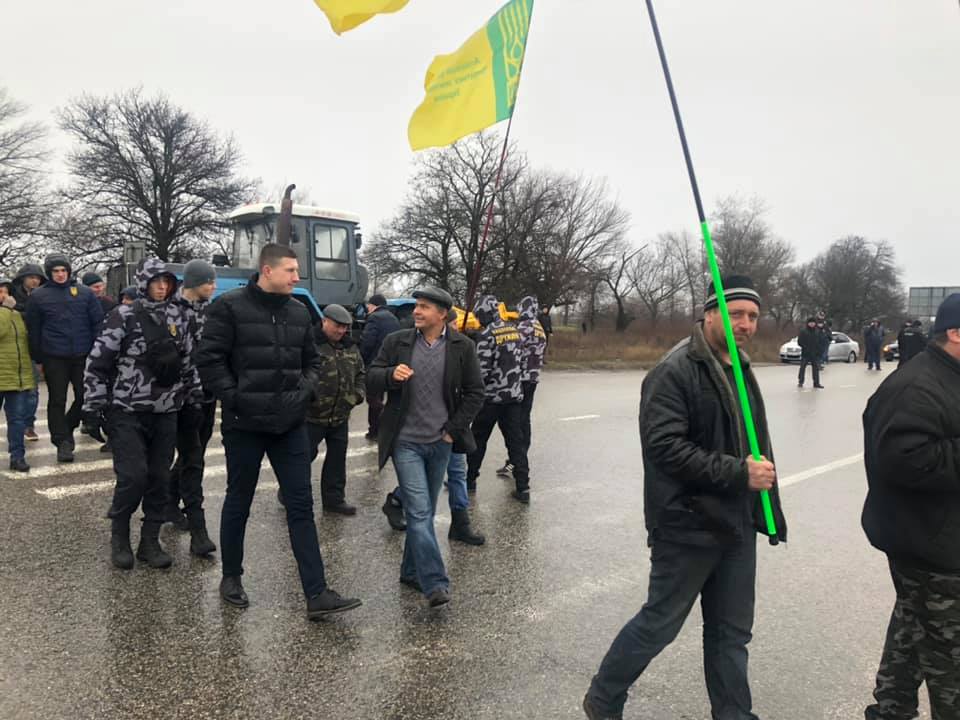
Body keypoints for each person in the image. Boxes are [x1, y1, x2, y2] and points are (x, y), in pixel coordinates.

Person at [583, 275, 787, 720]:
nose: (746, 324)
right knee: (660, 624)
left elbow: (751, 443)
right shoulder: (675, 370)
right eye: (735, 314)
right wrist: (739, 473)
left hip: (735, 523)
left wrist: (763, 502)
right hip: (688, 525)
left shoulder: (740, 365)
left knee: (731, 633)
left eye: (753, 316)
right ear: (709, 313)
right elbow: (664, 449)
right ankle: (603, 697)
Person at [197, 243, 361, 620]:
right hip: (245, 424)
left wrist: (302, 392)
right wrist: (234, 396)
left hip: (290, 425)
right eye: (290, 270)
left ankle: (317, 593)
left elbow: (312, 361)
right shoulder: (229, 307)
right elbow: (209, 359)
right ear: (267, 271)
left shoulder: (298, 311)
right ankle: (232, 577)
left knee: (301, 505)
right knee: (240, 499)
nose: (296, 277)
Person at [861, 293, 960, 720]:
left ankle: (890, 711)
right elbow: (904, 460)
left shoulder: (949, 375)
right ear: (955, 333)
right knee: (951, 668)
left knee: (912, 633)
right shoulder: (916, 386)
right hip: (931, 548)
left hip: (937, 540)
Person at [367, 287, 484, 607]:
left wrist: (452, 431)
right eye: (417, 306)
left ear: (442, 314)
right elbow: (371, 377)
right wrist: (391, 374)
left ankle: (409, 571)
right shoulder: (397, 342)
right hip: (405, 443)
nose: (416, 311)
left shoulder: (463, 347)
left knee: (425, 512)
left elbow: (476, 393)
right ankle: (435, 582)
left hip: (441, 443)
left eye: (424, 307)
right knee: (419, 512)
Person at [83, 258, 202, 570]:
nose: (162, 288)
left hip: (166, 411)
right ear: (143, 282)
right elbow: (97, 364)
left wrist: (194, 397)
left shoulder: (182, 314)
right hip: (126, 411)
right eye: (155, 282)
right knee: (133, 476)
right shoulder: (122, 315)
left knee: (160, 478)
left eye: (167, 282)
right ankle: (119, 535)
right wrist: (93, 407)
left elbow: (189, 361)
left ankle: (149, 541)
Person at [25, 253, 103, 462]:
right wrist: (38, 358)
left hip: (83, 354)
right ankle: (62, 442)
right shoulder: (39, 296)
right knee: (57, 399)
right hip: (54, 356)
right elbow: (34, 329)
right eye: (55, 271)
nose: (60, 275)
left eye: (63, 270)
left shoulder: (85, 294)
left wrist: (96, 351)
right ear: (49, 273)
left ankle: (68, 427)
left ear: (69, 271)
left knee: (85, 396)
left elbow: (97, 323)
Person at [164, 259, 218, 558]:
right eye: (208, 280)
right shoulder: (171, 312)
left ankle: (170, 502)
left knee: (192, 454)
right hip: (181, 399)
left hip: (207, 396)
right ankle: (199, 531)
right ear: (193, 282)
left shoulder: (211, 312)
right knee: (193, 459)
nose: (212, 285)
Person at [300, 303, 365, 516]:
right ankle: (292, 493)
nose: (341, 331)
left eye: (345, 327)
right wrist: (307, 397)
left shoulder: (350, 347)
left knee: (337, 460)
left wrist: (356, 395)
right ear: (324, 321)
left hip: (340, 416)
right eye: (337, 326)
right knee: (302, 457)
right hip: (311, 416)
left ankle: (334, 499)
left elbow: (361, 374)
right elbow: (296, 373)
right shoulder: (310, 344)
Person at [465, 295, 530, 503]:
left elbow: (481, 371)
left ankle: (469, 481)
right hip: (513, 397)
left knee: (478, 440)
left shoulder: (487, 335)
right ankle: (523, 487)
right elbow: (522, 363)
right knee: (515, 442)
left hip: (491, 398)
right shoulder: (514, 330)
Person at [497, 296, 547, 483]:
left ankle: (517, 461)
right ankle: (518, 459)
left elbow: (512, 350)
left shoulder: (524, 328)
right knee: (524, 421)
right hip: (533, 379)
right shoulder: (539, 328)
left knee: (513, 423)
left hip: (519, 379)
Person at [0, 280, 36, 472]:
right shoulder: (7, 313)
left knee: (17, 421)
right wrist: (6, 310)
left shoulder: (17, 315)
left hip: (17, 377)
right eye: (0, 293)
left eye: (6, 293)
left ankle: (17, 457)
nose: (4, 296)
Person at [11, 263, 45, 443]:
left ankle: (28, 425)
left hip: (33, 347)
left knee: (32, 389)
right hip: (13, 347)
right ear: (23, 278)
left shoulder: (43, 295)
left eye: (38, 278)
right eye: (31, 277)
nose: (35, 281)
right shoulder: (11, 295)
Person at [360, 293, 399, 441]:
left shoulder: (374, 318)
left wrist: (360, 360)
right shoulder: (393, 318)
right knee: (379, 398)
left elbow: (367, 342)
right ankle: (377, 430)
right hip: (389, 366)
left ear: (374, 305)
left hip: (375, 365)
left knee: (373, 400)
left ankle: (376, 431)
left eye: (368, 306)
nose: (367, 308)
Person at [797, 317, 824, 389]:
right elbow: (799, 342)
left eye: (813, 322)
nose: (812, 324)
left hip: (815, 353)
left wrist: (819, 351)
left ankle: (816, 383)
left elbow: (820, 342)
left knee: (816, 368)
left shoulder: (817, 331)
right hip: (806, 353)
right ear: (808, 323)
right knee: (802, 368)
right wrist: (805, 348)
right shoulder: (803, 331)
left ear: (815, 323)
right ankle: (800, 382)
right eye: (810, 322)